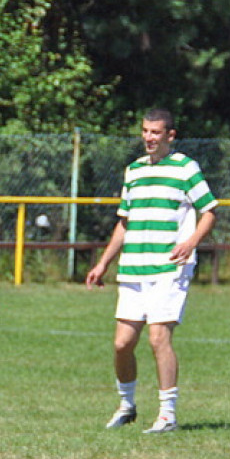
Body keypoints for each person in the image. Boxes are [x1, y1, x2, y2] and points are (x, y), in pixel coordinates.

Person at [85, 108, 217, 433]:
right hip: (133, 269)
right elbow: (124, 223)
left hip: (169, 269)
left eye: (155, 132)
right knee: (122, 344)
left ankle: (167, 414)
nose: (148, 137)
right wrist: (103, 263)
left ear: (170, 136)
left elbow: (210, 211)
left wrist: (190, 243)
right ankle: (127, 405)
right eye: (145, 131)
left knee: (158, 338)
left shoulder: (186, 168)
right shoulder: (133, 171)